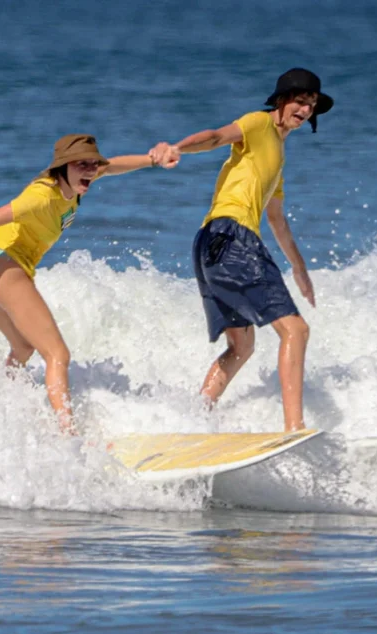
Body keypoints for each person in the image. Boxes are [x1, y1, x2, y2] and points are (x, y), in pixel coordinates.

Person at [0, 135, 177, 434]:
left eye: (93, 163)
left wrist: (153, 159)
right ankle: (68, 434)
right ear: (62, 167)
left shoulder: (78, 180)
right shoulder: (41, 196)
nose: (90, 170)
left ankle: (1, 410)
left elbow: (112, 167)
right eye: (81, 164)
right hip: (0, 260)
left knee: (23, 347)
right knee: (57, 354)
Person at [151, 68, 333, 431]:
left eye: (311, 104)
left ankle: (195, 420)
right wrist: (177, 148)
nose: (305, 109)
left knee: (242, 346)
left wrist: (298, 268)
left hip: (208, 246)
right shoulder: (258, 124)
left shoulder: (277, 157)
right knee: (295, 331)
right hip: (232, 237)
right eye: (300, 100)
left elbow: (277, 219)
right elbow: (217, 136)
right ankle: (294, 428)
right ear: (281, 101)